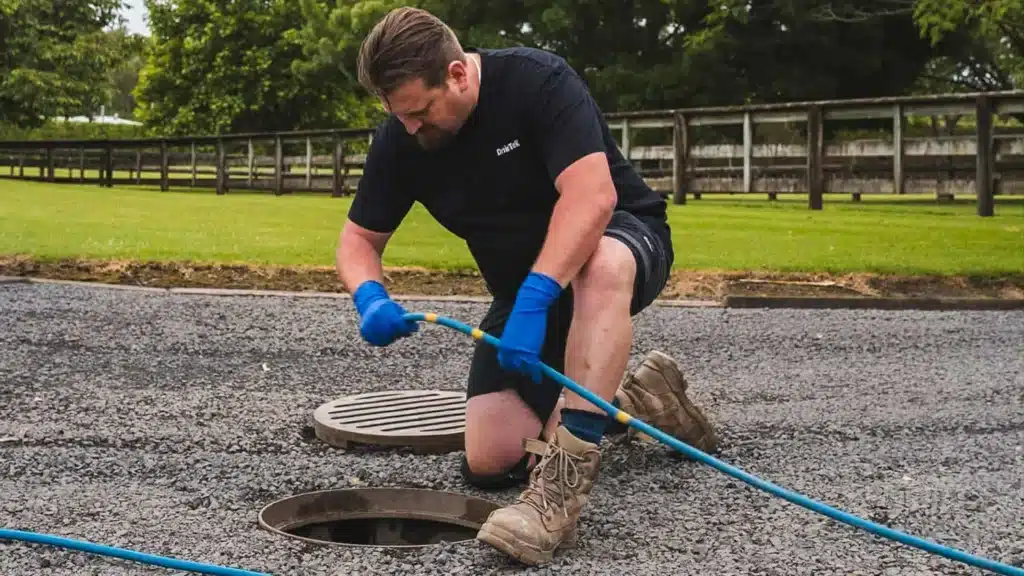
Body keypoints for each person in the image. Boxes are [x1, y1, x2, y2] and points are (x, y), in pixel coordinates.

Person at [335, 6, 719, 566]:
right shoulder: (404, 139)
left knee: (601, 265)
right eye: (401, 117)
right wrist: (369, 296)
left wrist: (540, 296)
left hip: (621, 246)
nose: (412, 128)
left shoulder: (539, 81)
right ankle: (636, 397)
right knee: (490, 459)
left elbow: (592, 199)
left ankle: (557, 497)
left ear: (458, 74)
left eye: (421, 111)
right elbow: (357, 243)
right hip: (525, 295)